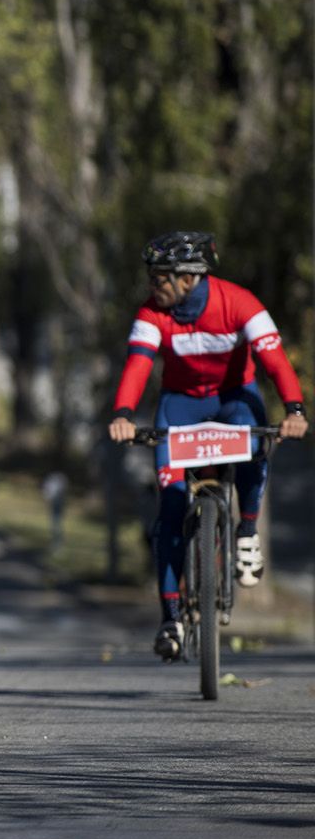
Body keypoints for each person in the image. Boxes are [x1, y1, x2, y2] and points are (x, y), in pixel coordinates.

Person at [107, 231, 306, 662]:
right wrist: (123, 414)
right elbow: (138, 364)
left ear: (190, 278)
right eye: (151, 277)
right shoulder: (151, 314)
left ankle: (247, 530)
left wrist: (294, 409)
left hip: (235, 399)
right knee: (172, 507)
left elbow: (274, 361)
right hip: (179, 406)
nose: (152, 286)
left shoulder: (239, 303)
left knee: (256, 445)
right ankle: (171, 617)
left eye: (160, 278)